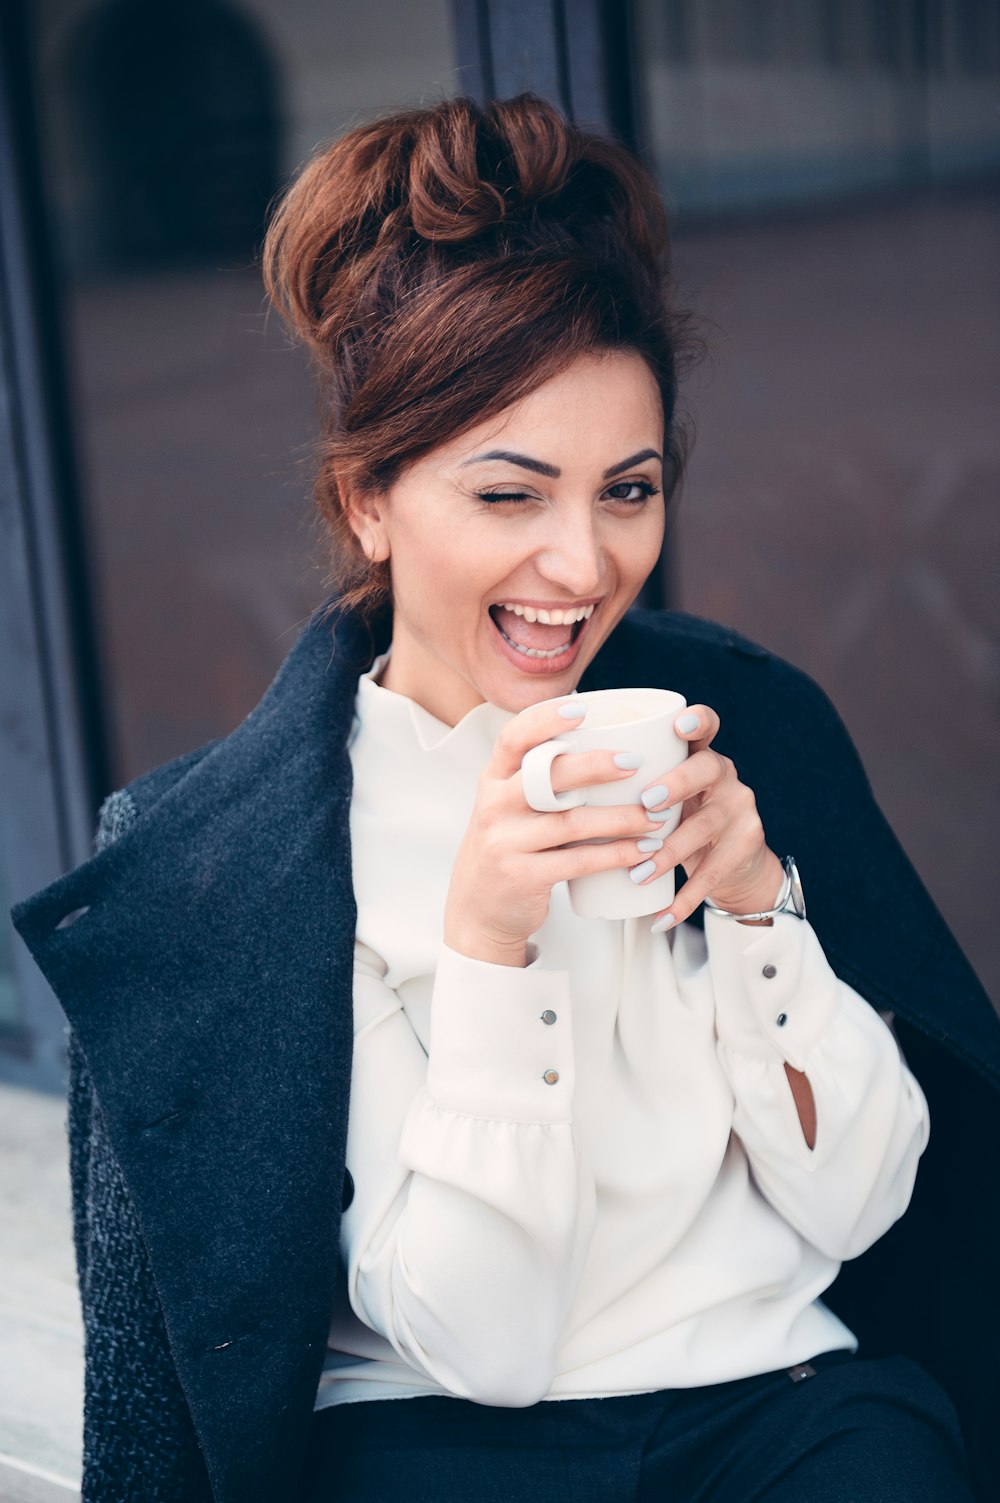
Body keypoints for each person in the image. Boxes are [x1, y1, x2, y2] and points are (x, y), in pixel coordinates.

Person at [11, 94, 1000, 1503]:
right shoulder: (256, 854)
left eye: (629, 490)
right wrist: (486, 950)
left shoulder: (746, 731)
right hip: (435, 1437)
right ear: (368, 499)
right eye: (509, 496)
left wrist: (762, 914)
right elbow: (481, 1341)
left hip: (776, 1402)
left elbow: (863, 1206)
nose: (585, 567)